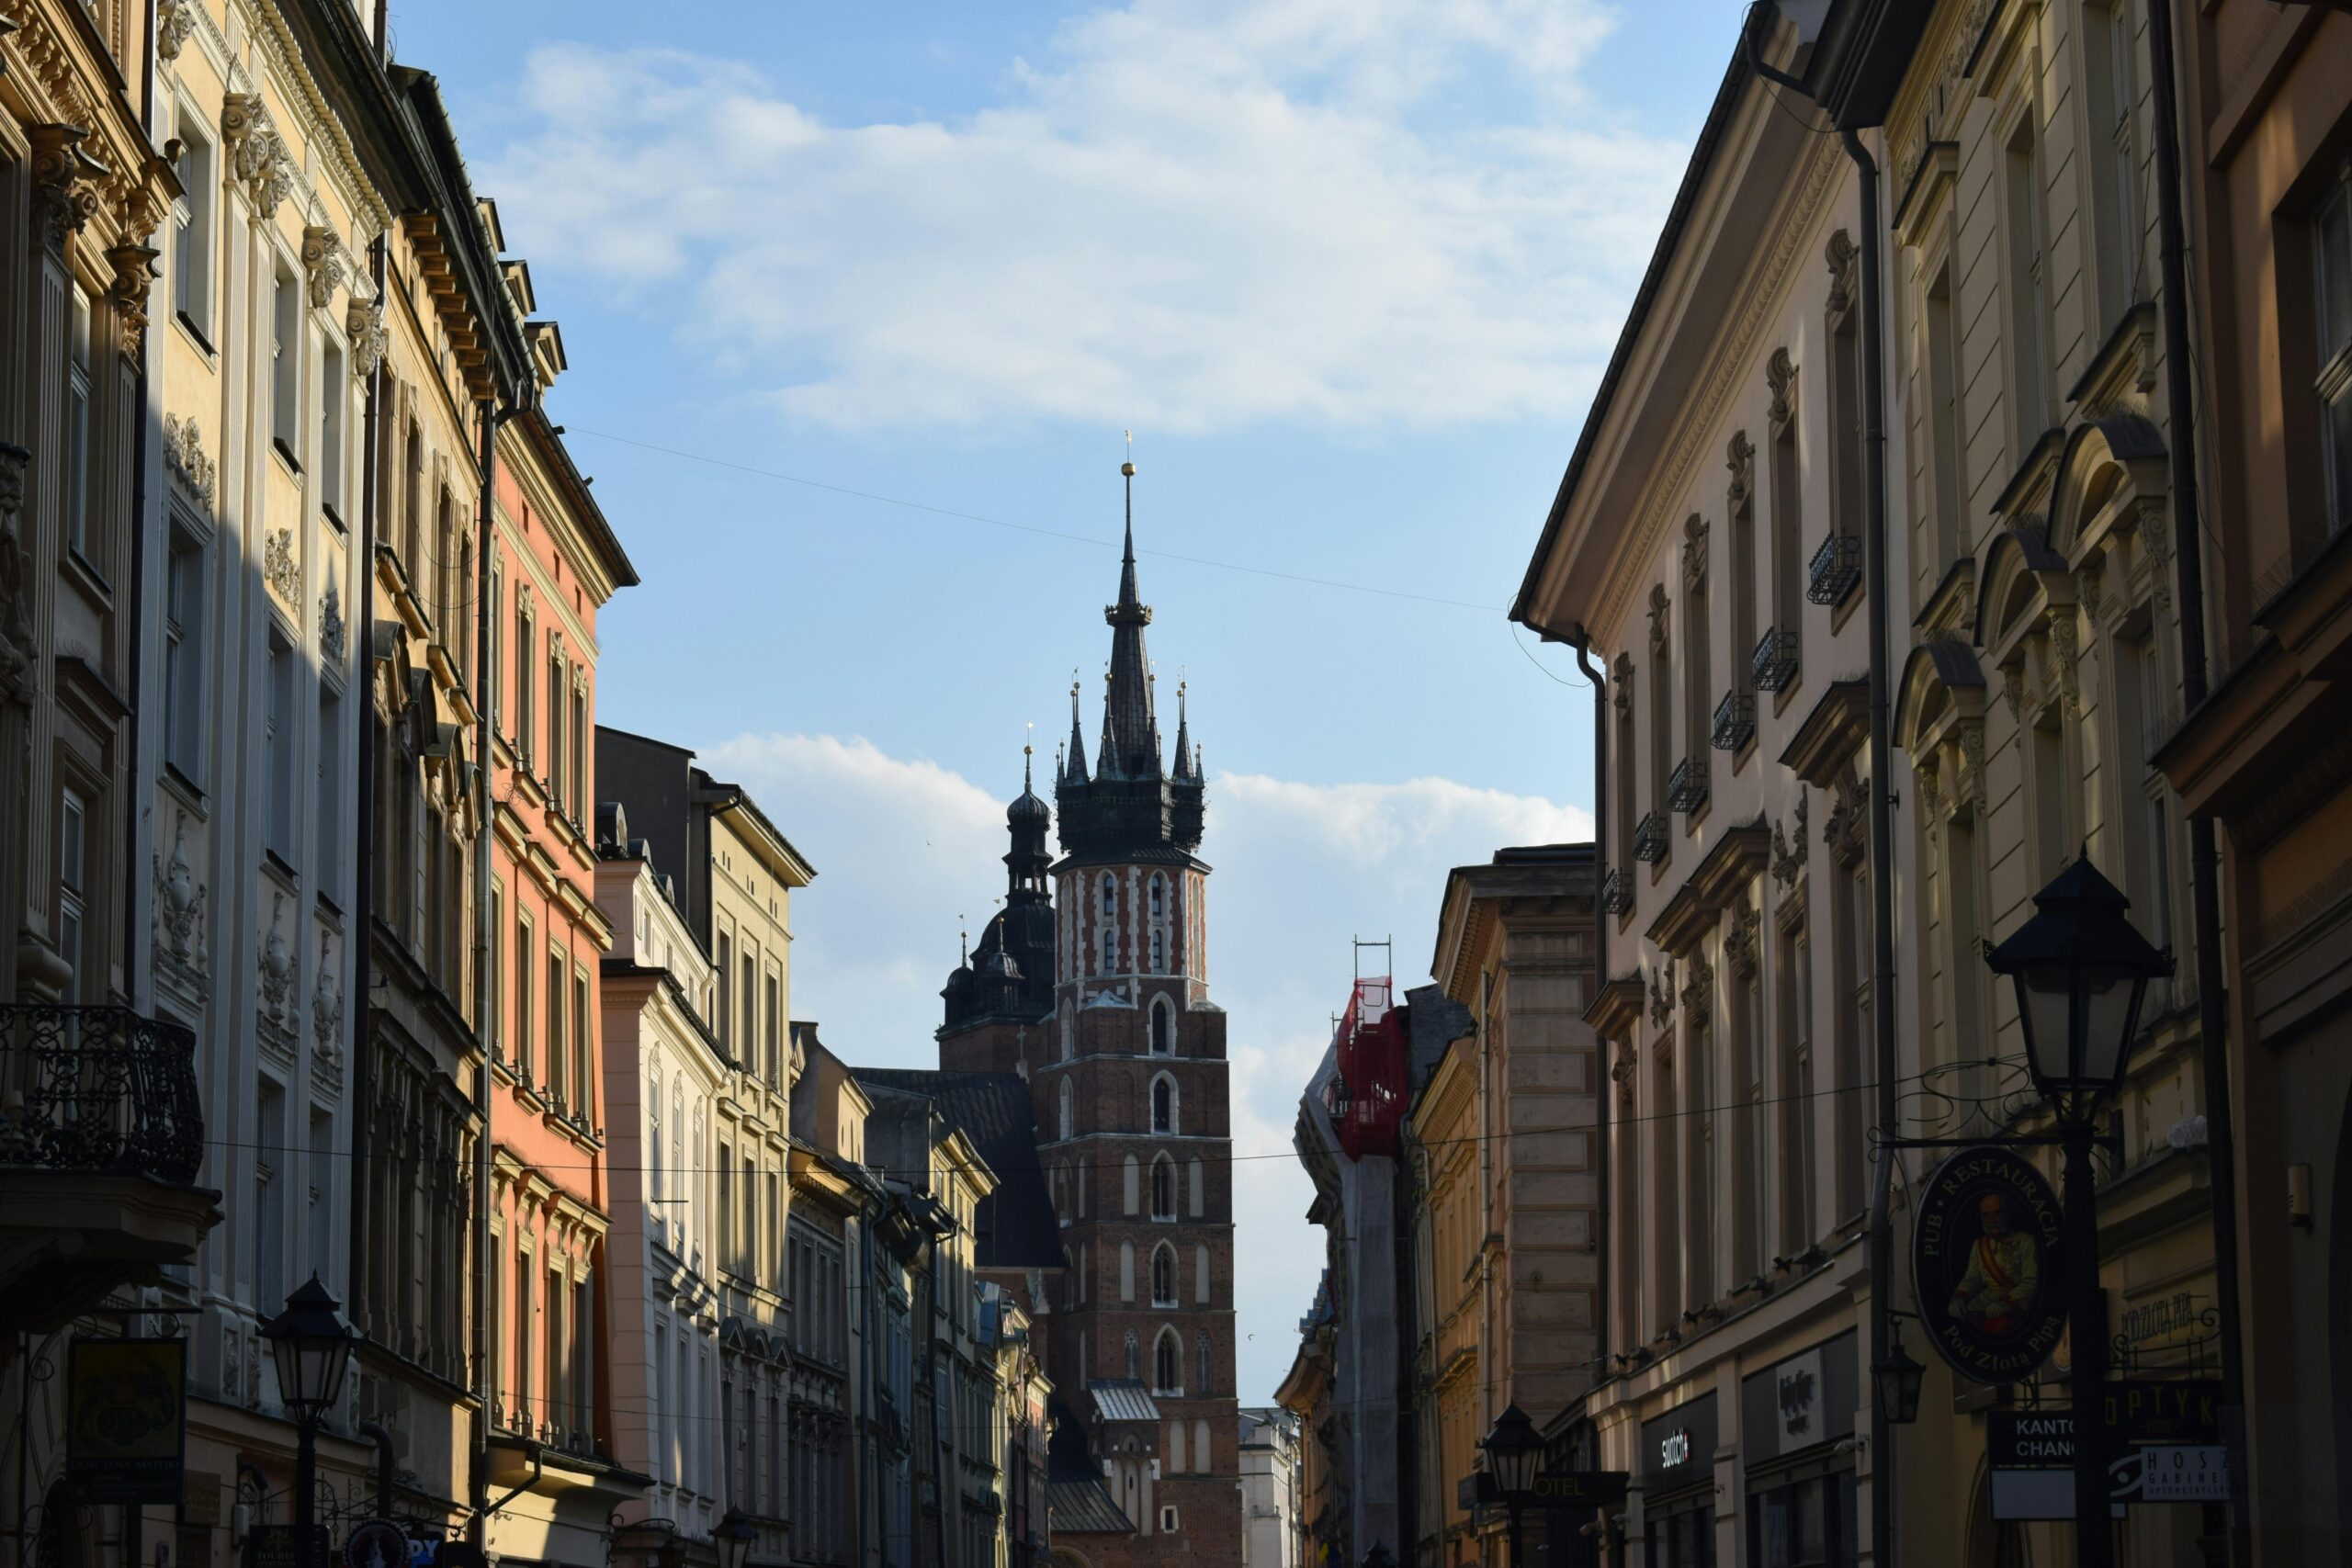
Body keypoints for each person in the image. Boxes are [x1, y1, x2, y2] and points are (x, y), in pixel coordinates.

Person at [1949, 1191, 2038, 1332]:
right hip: (1986, 1303)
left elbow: (2032, 1282)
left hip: (2019, 1306)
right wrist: (1959, 1297)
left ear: (2007, 1214)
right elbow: (1973, 1279)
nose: (1992, 1220)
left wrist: (2007, 1303)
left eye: (1997, 1213)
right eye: (1986, 1215)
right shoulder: (1979, 1245)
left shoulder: (2026, 1242)